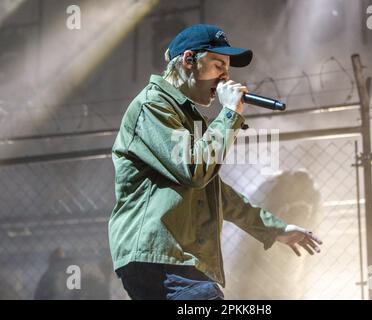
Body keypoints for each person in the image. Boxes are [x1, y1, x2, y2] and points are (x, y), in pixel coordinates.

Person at [108, 24, 322, 300]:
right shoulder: (153, 105)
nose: (225, 77)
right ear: (188, 60)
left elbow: (216, 195)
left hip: (176, 258)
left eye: (228, 69)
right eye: (218, 65)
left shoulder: (187, 117)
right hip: (159, 255)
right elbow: (195, 170)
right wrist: (230, 113)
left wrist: (275, 229)